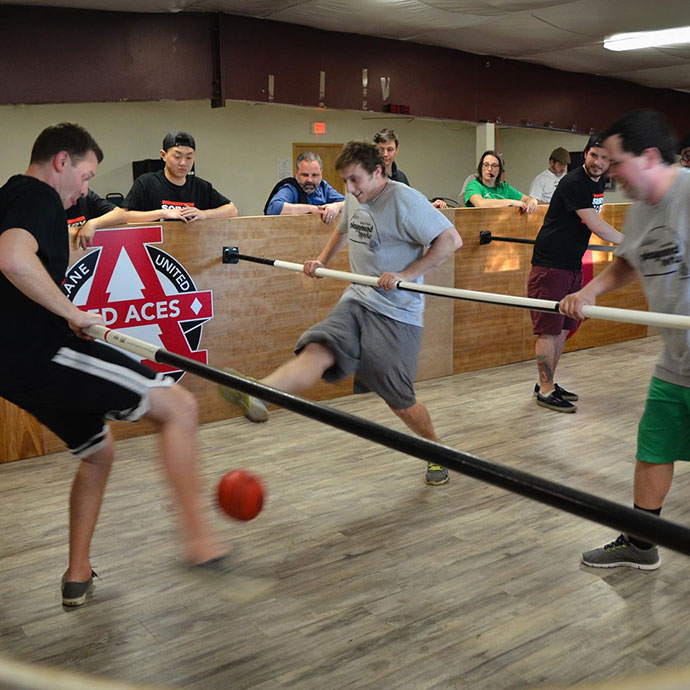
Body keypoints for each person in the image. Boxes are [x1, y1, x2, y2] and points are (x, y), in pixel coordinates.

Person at [0, 123, 226, 607]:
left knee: (98, 453)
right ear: (61, 161)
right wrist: (70, 312)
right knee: (180, 408)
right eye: (84, 176)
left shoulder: (8, 198)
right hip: (45, 353)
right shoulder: (35, 195)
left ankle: (77, 573)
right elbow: (13, 260)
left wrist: (63, 309)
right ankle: (200, 543)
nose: (85, 190)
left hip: (15, 369)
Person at [224, 141, 462, 486]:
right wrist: (322, 260)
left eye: (355, 180)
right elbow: (344, 228)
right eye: (346, 182)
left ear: (377, 172)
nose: (349, 189)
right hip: (358, 298)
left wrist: (406, 275)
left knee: (400, 400)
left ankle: (435, 452)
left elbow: (450, 240)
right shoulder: (356, 196)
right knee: (319, 348)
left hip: (397, 313)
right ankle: (258, 392)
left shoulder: (405, 199)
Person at [560, 109, 688, 570]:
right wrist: (589, 289)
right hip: (677, 360)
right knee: (654, 448)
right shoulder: (639, 211)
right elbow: (630, 260)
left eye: (616, 162)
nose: (609, 173)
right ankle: (640, 541)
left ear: (650, 156)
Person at [527, 133, 623, 413]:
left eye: (604, 158)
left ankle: (548, 383)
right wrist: (633, 242)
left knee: (562, 329)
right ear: (585, 154)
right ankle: (545, 390)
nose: (598, 162)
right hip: (550, 264)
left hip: (572, 263)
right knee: (549, 329)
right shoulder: (574, 183)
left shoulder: (599, 181)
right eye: (594, 155)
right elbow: (598, 226)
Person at [124, 130, 238, 222]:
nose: (183, 163)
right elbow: (123, 215)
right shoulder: (146, 183)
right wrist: (163, 213)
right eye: (177, 157)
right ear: (163, 155)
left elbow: (232, 210)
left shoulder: (200, 186)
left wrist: (204, 214)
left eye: (189, 158)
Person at [374, 128, 448, 209]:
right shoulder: (369, 178)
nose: (385, 154)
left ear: (397, 149)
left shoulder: (401, 177)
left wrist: (431, 206)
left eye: (389, 149)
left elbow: (411, 204)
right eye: (381, 150)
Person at [264, 152, 345, 224]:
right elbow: (273, 208)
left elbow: (350, 203)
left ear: (321, 173)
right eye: (305, 175)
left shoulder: (324, 187)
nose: (309, 180)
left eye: (315, 175)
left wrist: (337, 206)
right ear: (296, 172)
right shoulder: (290, 188)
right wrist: (311, 209)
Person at [464, 151, 538, 213]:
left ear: (499, 170)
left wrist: (533, 201)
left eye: (494, 165)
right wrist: (511, 202)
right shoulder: (474, 185)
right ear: (481, 167)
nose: (489, 169)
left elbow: (528, 199)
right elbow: (480, 204)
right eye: (486, 165)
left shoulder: (504, 187)